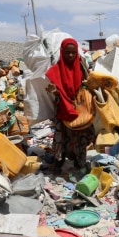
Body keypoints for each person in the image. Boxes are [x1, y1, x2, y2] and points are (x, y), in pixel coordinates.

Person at [45, 38, 96, 173]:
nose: (71, 55)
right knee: (60, 135)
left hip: (81, 107)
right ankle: (58, 161)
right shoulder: (55, 70)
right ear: (62, 52)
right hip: (63, 107)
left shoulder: (81, 67)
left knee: (80, 136)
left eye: (73, 52)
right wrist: (55, 91)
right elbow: (57, 91)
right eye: (67, 52)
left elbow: (89, 84)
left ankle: (79, 162)